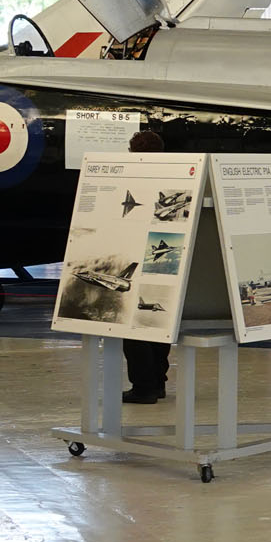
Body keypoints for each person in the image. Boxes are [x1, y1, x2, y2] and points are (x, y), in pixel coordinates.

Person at [122, 127, 170, 404]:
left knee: (134, 326)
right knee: (157, 321)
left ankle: (143, 387)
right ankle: (159, 382)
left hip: (137, 258)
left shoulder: (132, 179)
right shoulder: (170, 175)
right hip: (161, 262)